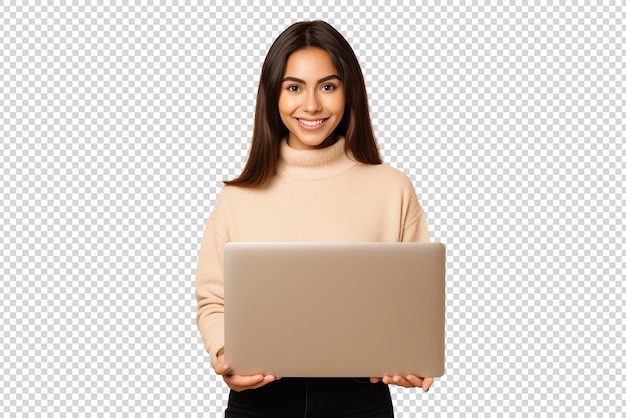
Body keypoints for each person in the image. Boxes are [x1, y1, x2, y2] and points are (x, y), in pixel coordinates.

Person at [196, 20, 434, 417]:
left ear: (348, 91)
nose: (311, 105)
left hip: (360, 401)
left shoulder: (391, 188)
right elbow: (213, 300)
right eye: (294, 87)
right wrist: (226, 356)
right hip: (260, 400)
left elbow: (415, 305)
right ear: (273, 95)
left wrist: (412, 357)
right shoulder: (239, 195)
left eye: (328, 86)